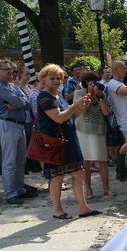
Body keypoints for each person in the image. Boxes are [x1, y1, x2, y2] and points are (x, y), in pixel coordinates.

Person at [36, 64, 100, 220]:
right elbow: (58, 117)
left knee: (78, 173)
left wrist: (82, 107)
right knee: (57, 176)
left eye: (59, 78)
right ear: (43, 79)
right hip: (55, 143)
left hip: (69, 140)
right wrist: (74, 106)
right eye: (52, 78)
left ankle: (83, 207)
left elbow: (72, 115)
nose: (57, 81)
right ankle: (57, 210)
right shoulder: (44, 97)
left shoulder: (58, 96)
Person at [0, 59, 37, 204]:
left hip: (18, 124)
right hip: (7, 124)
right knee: (9, 161)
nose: (12, 72)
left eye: (12, 69)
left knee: (20, 160)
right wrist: (20, 103)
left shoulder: (11, 85)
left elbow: (27, 102)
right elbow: (21, 102)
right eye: (7, 70)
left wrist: (19, 103)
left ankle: (20, 189)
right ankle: (11, 194)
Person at [74, 72, 112, 198]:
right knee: (87, 162)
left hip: (99, 130)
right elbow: (83, 109)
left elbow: (106, 112)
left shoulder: (100, 94)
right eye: (91, 81)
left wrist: (100, 96)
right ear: (86, 82)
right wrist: (89, 93)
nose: (93, 84)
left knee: (102, 160)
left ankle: (107, 188)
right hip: (84, 129)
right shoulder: (79, 93)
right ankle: (88, 190)